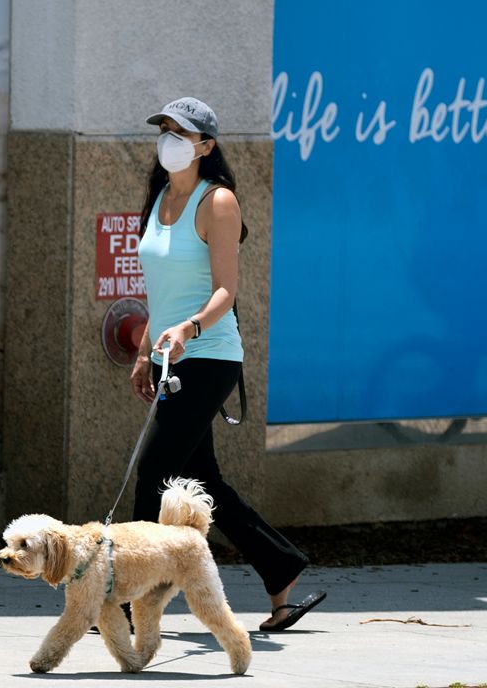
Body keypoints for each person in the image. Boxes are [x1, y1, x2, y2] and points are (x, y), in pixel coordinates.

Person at [130, 97, 325, 631]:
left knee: (154, 473)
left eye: (180, 131)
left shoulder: (217, 202)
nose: (168, 138)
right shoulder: (160, 197)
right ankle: (281, 569)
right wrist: (147, 349)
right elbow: (162, 291)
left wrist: (188, 329)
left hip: (209, 356)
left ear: (205, 146)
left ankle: (127, 598)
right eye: (164, 129)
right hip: (172, 354)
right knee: (204, 482)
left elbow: (224, 290)